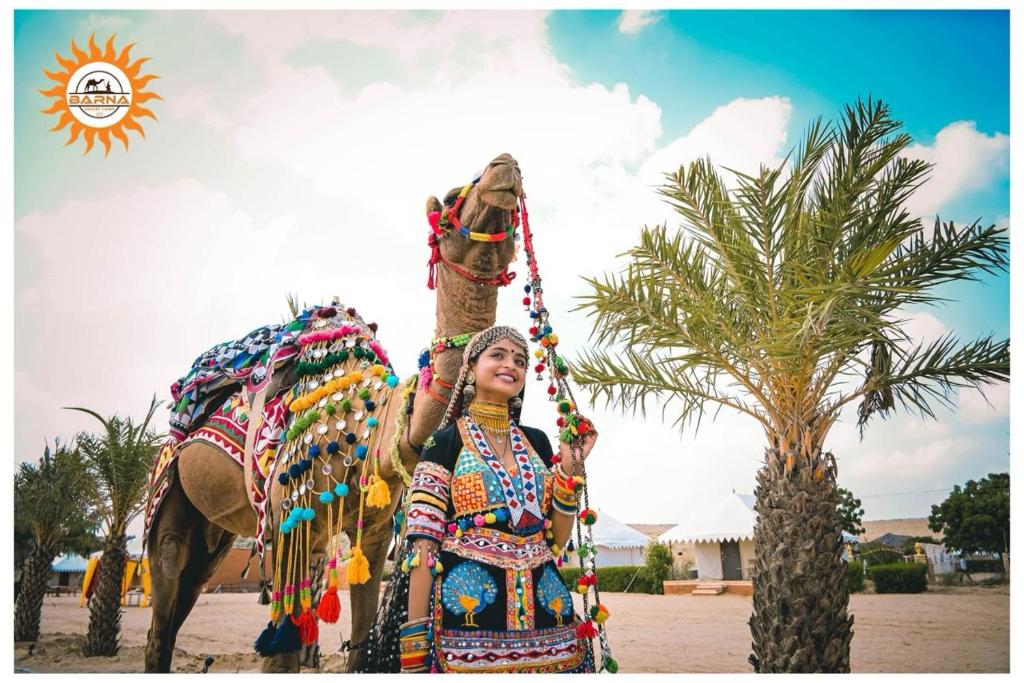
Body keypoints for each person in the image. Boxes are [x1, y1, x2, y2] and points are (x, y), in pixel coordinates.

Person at [398, 325, 598, 673]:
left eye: (520, 361)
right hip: (468, 624)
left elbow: (555, 540)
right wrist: (414, 650)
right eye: (498, 355)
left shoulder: (537, 442)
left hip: (548, 620)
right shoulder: (443, 443)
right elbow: (424, 547)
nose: (511, 365)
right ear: (470, 369)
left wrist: (570, 468)